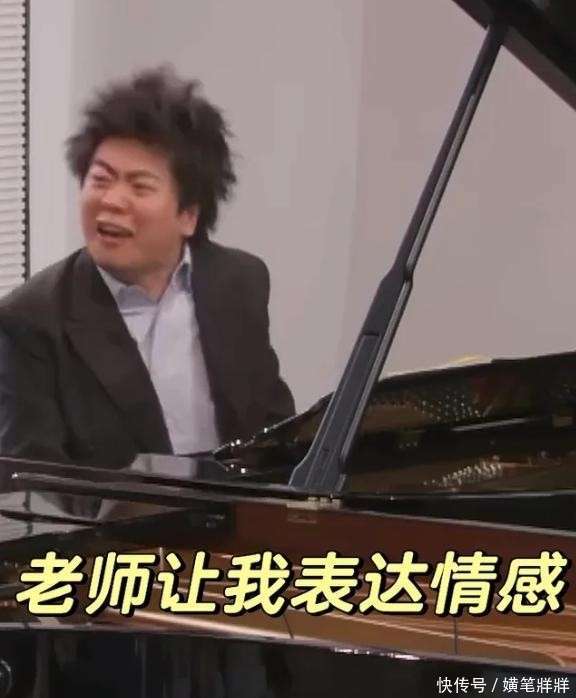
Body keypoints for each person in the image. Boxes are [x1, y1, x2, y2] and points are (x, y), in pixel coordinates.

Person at [0, 66, 294, 467]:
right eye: (100, 180)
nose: (111, 201)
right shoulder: (31, 321)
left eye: (140, 186)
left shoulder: (239, 282)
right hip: (110, 510)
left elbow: (276, 436)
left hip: (235, 503)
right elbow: (35, 482)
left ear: (189, 215)